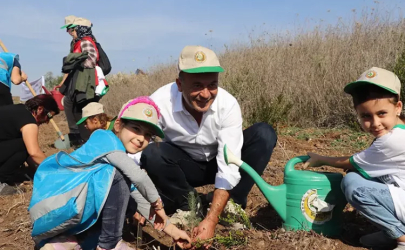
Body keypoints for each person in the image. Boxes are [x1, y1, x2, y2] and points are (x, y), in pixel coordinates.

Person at [139, 46, 277, 243]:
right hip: (183, 165)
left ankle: (232, 204)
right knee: (151, 152)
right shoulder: (159, 102)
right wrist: (137, 200)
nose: (205, 94)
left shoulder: (227, 105)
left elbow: (229, 164)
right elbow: (134, 148)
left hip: (219, 161)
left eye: (212, 85)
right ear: (179, 84)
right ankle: (189, 205)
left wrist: (212, 219)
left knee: (264, 134)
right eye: (196, 85)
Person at [33, 97, 191, 250]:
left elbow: (140, 199)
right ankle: (110, 244)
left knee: (126, 195)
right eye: (136, 128)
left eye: (148, 135)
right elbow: (139, 177)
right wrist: (158, 205)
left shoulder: (116, 155)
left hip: (61, 213)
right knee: (116, 175)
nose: (142, 138)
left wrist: (174, 232)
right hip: (55, 206)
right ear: (118, 125)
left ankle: (64, 241)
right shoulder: (104, 137)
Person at [304, 67, 405, 250]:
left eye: (381, 113)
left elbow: (352, 162)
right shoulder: (398, 130)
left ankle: (401, 238)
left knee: (354, 185)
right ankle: (394, 232)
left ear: (398, 107)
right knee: (358, 175)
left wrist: (321, 159)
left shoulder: (394, 140)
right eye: (366, 116)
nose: (375, 123)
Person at [0, 94, 59, 195]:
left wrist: (38, 170)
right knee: (25, 144)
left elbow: (27, 155)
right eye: (48, 116)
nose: (47, 121)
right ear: (40, 109)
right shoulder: (29, 121)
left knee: (24, 144)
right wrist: (56, 170)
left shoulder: (19, 110)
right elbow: (33, 152)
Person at [59, 17, 99, 146]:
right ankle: (78, 138)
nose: (69, 32)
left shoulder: (85, 42)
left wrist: (75, 60)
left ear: (80, 29)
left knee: (80, 110)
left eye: (71, 29)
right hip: (76, 79)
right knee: (71, 106)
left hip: (84, 80)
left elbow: (92, 60)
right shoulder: (76, 42)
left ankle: (84, 140)